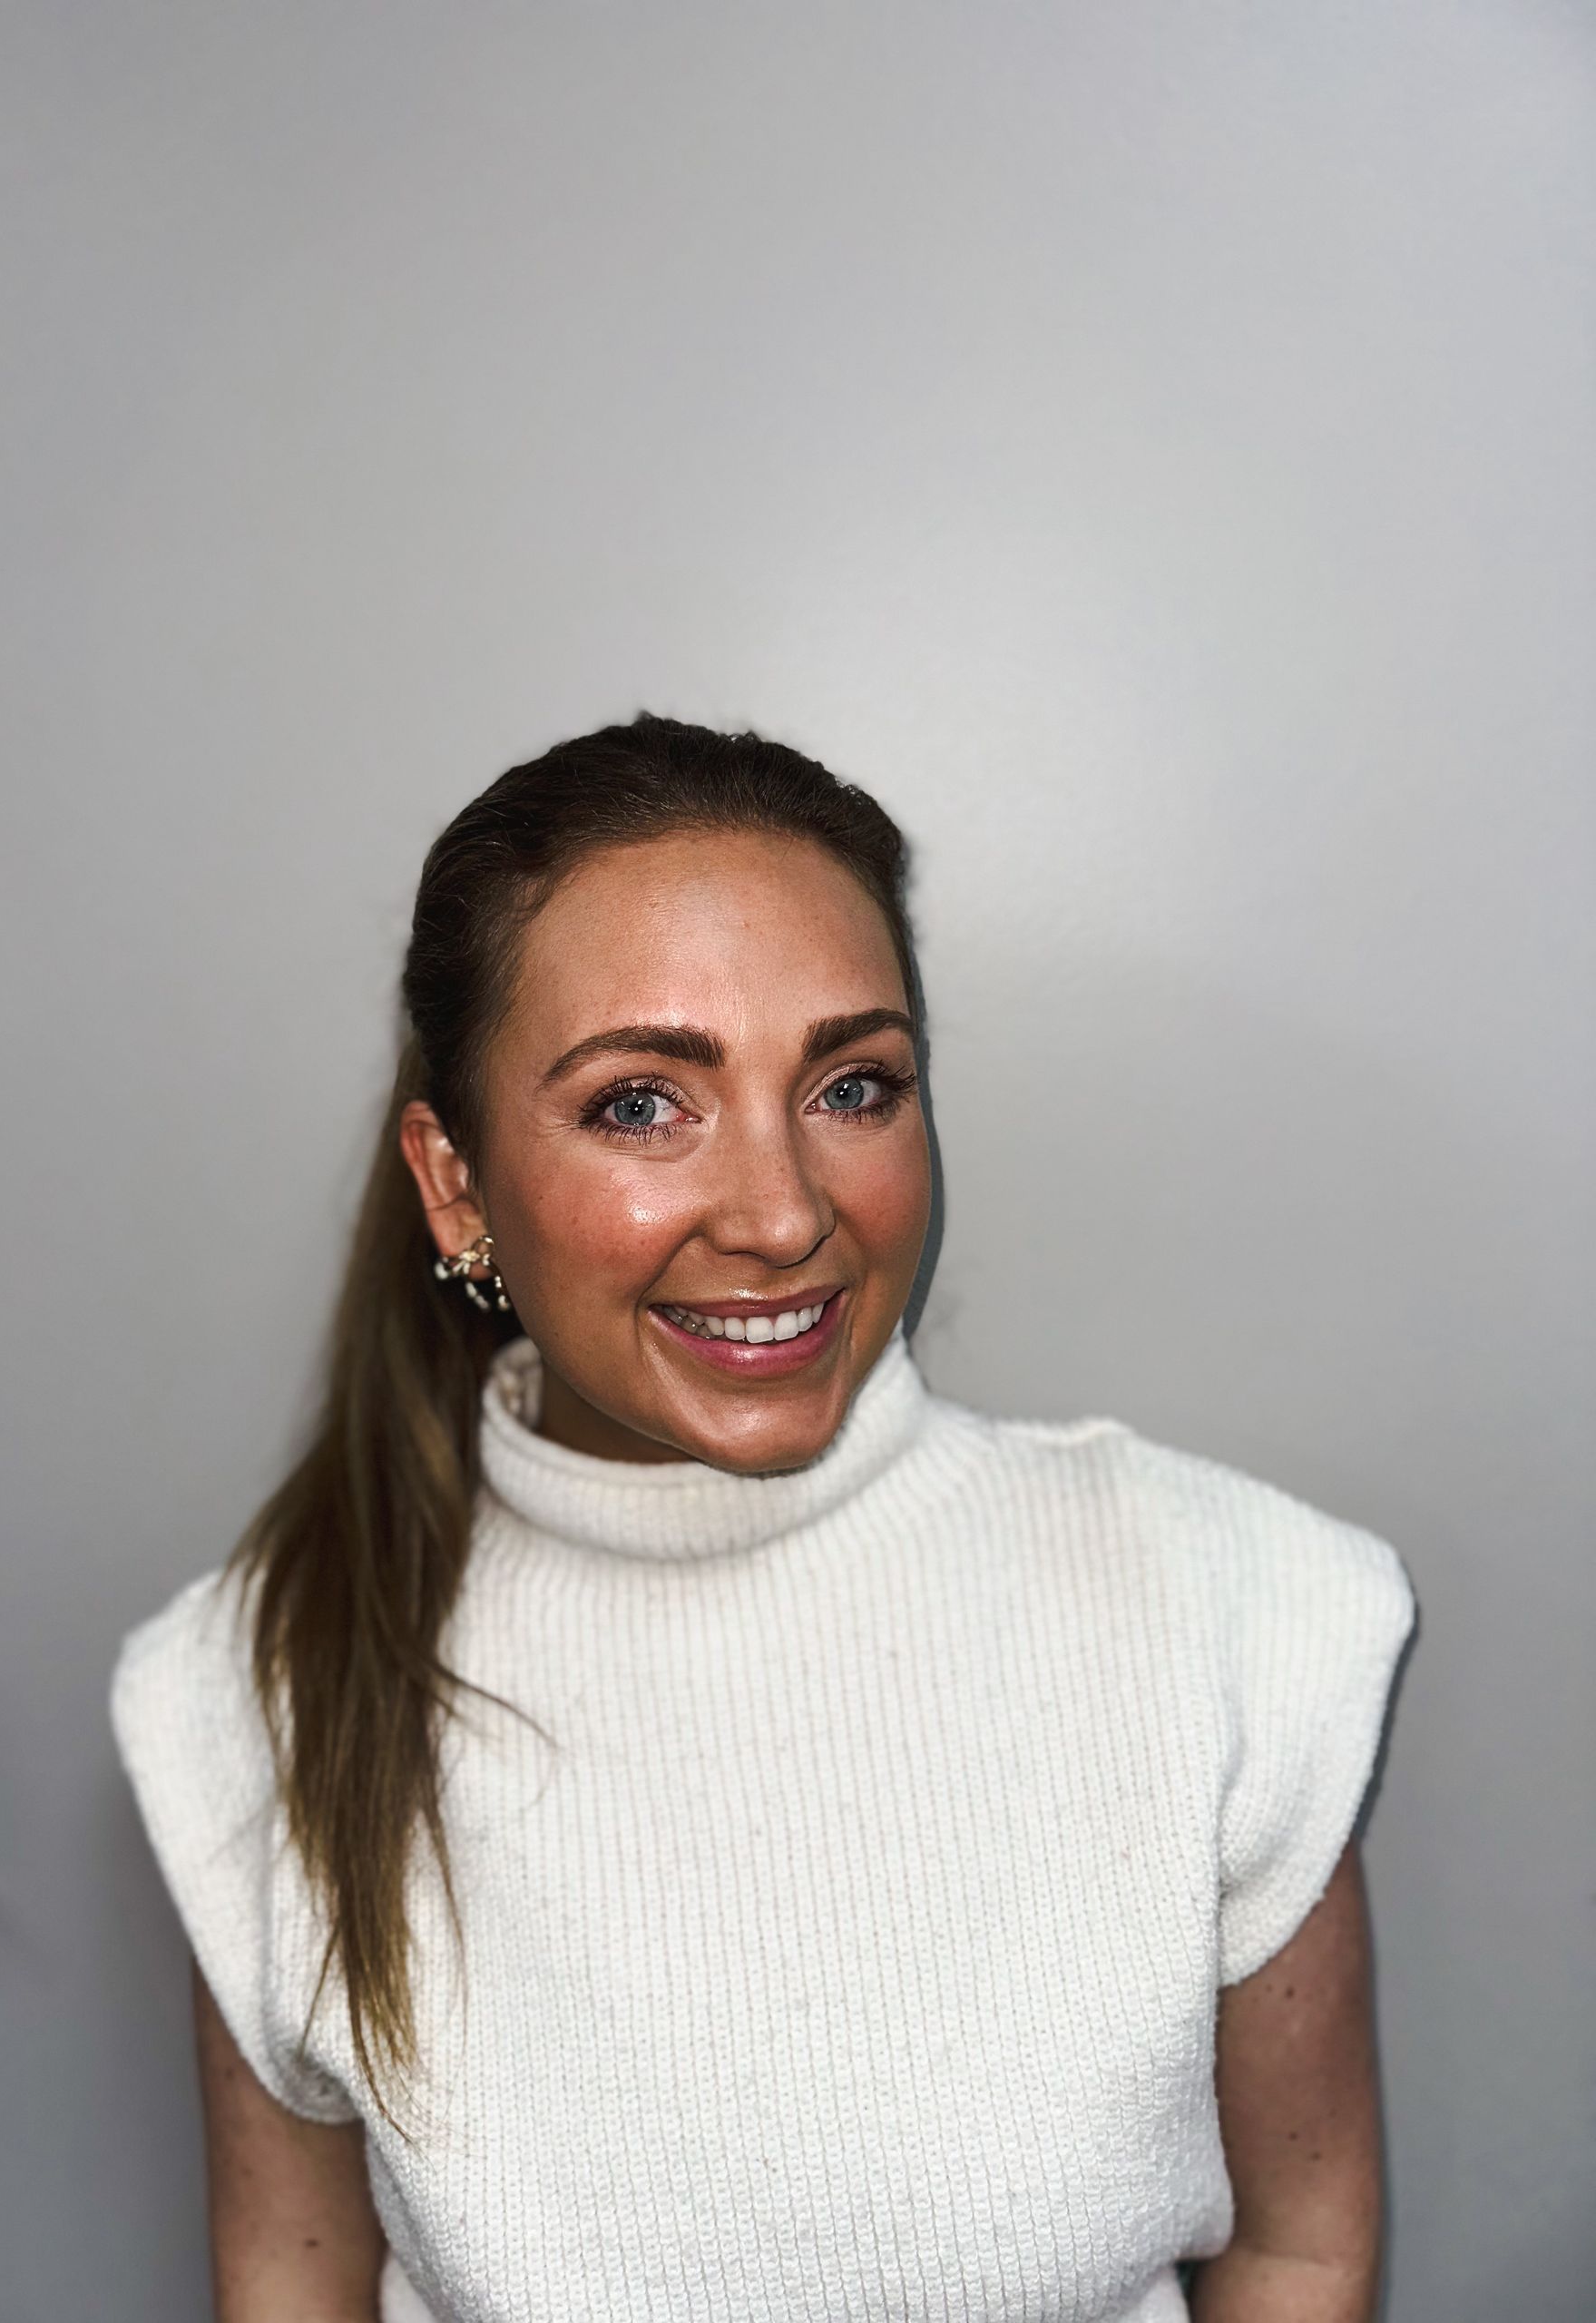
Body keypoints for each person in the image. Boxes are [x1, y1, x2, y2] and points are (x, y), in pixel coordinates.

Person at [111, 713, 1416, 2323]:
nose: (786, 1212)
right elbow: (289, 2287)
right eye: (643, 1105)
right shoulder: (264, 1688)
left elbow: (1298, 2249)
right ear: (455, 1185)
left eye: (854, 1084)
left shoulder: (1232, 1608)